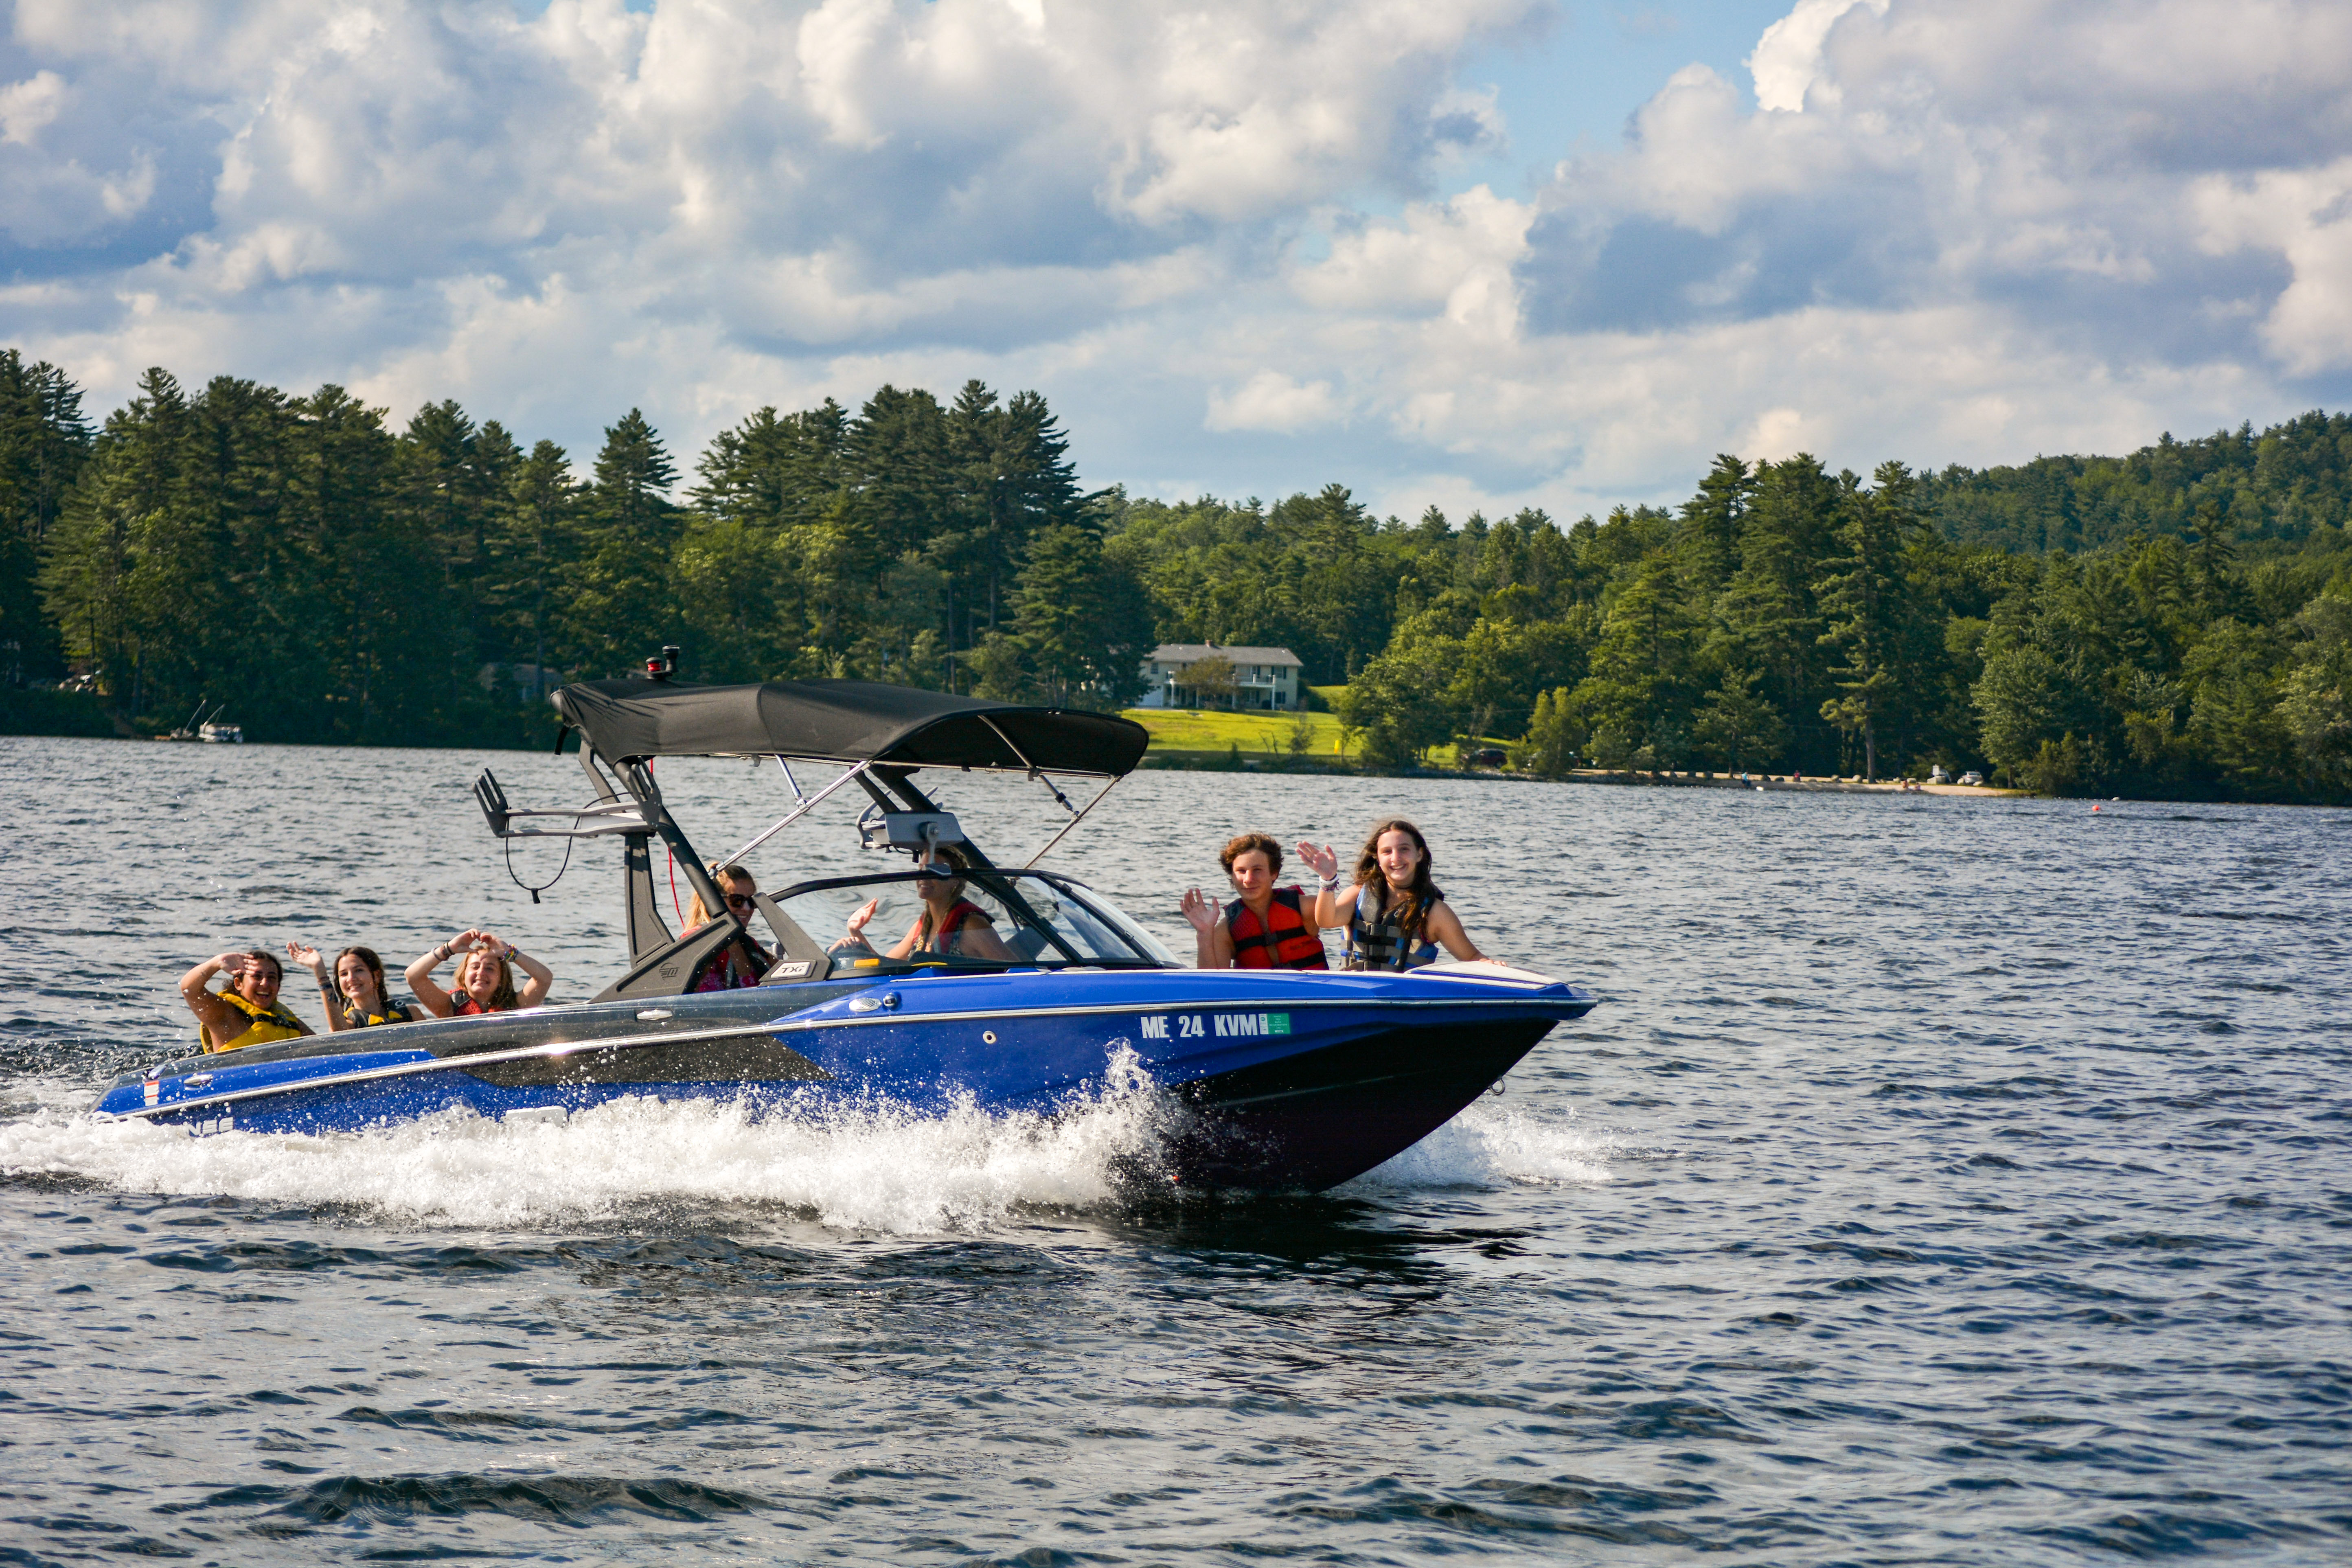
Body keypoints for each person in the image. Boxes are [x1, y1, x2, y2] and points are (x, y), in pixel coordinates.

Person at [1301, 817, 1483, 971]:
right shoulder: (1356, 896)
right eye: (1387, 852)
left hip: (1402, 996)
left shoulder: (1435, 913)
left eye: (1404, 849)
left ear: (1419, 855)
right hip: (1353, 991)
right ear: (1377, 858)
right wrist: (1328, 879)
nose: (1396, 858)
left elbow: (1472, 957)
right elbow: (1326, 921)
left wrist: (1490, 965)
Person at [1179, 832, 1331, 970]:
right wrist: (1204, 934)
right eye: (1241, 871)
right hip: (1260, 992)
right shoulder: (1226, 931)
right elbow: (1212, 984)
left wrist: (1328, 879)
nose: (1248, 879)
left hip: (1311, 990)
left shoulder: (1305, 907)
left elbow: (1341, 916)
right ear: (1232, 876)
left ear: (1274, 873)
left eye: (1257, 870)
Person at [838, 846, 1016, 962]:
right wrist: (855, 932)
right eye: (922, 869)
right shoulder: (922, 927)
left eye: (935, 871)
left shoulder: (972, 925)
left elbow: (1018, 972)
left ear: (955, 880)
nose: (924, 877)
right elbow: (885, 966)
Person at [178, 947, 313, 1053]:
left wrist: (319, 971)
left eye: (272, 978)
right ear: (238, 984)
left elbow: (321, 1047)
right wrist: (216, 963)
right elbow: (189, 989)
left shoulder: (284, 1019)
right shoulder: (224, 1013)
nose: (265, 983)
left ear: (278, 987)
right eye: (257, 977)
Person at [406, 930, 554, 1018]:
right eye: (475, 967)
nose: (481, 973)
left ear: (502, 977)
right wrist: (448, 949)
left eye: (490, 968)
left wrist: (510, 953)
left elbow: (544, 978)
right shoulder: (448, 1006)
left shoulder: (518, 1005)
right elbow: (413, 976)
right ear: (464, 974)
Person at [683, 862, 774, 991]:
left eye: (751, 901)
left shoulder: (749, 944)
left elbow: (792, 974)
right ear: (713, 901)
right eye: (737, 900)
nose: (747, 909)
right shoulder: (697, 944)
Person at [288, 942, 416, 1031]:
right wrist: (320, 972)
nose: (351, 978)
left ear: (377, 976)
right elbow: (338, 1031)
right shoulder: (348, 1025)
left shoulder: (410, 1013)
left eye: (359, 970)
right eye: (344, 974)